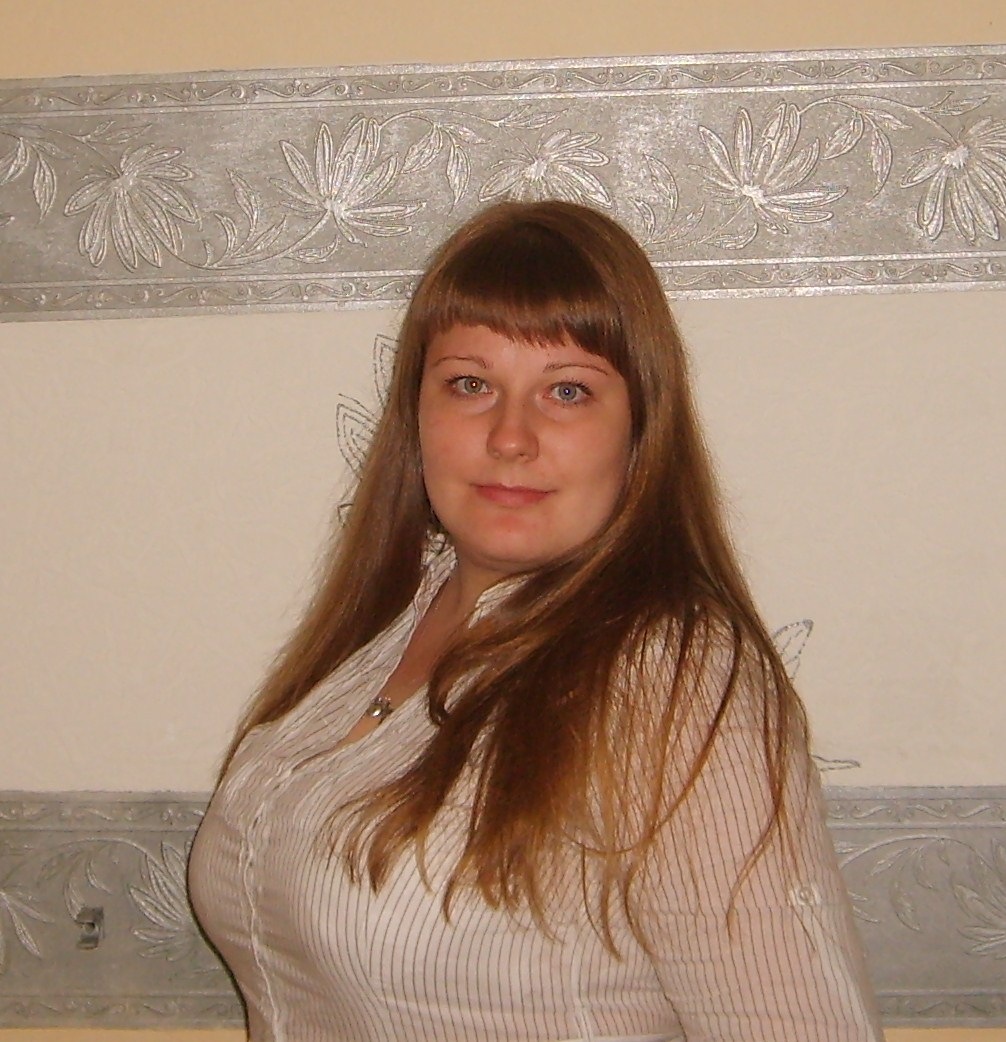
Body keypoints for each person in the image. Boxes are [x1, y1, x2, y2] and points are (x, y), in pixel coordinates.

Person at [188, 200, 883, 1042]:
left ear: (640, 431)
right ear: (417, 415)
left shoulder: (675, 679)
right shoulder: (387, 624)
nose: (510, 436)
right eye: (470, 384)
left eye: (567, 391)